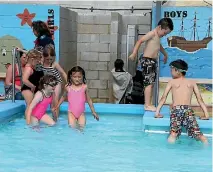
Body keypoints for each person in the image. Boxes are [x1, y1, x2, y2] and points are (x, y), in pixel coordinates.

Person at [155, 59, 209, 145]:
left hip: (176, 110)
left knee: (173, 133)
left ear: (177, 71)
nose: (170, 72)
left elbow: (163, 98)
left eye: (171, 70)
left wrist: (157, 113)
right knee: (198, 134)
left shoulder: (172, 82)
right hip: (188, 111)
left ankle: (170, 151)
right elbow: (200, 99)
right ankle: (206, 144)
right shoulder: (192, 82)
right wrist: (206, 115)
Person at [129, 18, 174, 111]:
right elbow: (140, 41)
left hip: (152, 62)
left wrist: (165, 54)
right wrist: (134, 53)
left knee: (151, 83)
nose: (165, 35)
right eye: (165, 33)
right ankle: (147, 104)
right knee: (148, 83)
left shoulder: (157, 37)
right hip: (147, 61)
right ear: (159, 27)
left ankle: (149, 103)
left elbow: (159, 46)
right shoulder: (152, 33)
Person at [53, 66, 99, 130]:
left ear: (83, 76)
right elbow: (63, 97)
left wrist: (93, 112)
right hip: (71, 113)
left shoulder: (84, 87)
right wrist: (57, 106)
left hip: (81, 113)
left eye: (79, 77)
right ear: (71, 77)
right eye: (74, 77)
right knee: (72, 128)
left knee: (81, 129)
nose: (77, 79)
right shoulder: (68, 87)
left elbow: (89, 100)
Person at [41, 44, 67, 121]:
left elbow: (63, 73)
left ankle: (56, 118)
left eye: (51, 59)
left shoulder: (54, 64)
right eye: (47, 59)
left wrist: (68, 82)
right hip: (48, 83)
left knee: (55, 99)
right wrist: (21, 50)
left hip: (57, 82)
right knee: (46, 99)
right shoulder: (41, 62)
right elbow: (32, 53)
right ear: (44, 57)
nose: (49, 61)